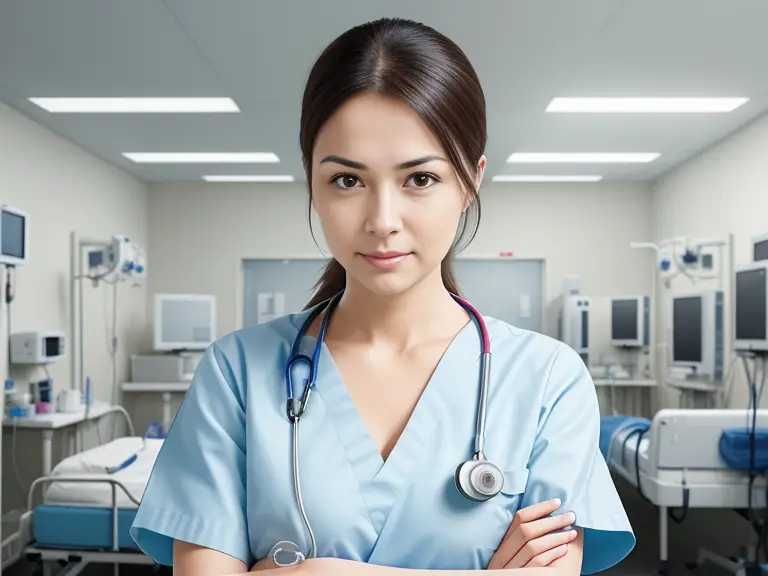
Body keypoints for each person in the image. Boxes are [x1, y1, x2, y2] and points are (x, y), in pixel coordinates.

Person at [130, 17, 635, 575]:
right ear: (312, 184)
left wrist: (324, 572)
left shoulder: (547, 380)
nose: (382, 221)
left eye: (419, 179)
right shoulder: (236, 373)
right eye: (348, 180)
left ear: (470, 181)